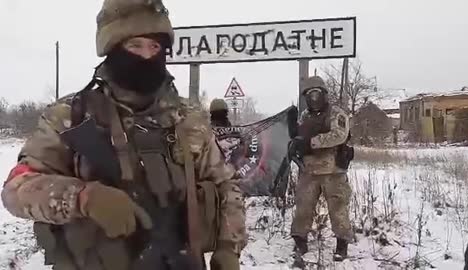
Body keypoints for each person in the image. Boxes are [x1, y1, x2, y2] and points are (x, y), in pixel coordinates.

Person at [0, 1, 246, 269]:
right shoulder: (71, 116)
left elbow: (226, 185)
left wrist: (228, 248)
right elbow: (16, 189)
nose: (147, 56)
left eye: (155, 47)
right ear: (112, 48)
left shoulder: (187, 119)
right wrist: (82, 197)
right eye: (135, 46)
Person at [290, 76, 354, 262]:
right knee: (303, 207)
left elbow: (339, 135)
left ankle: (342, 244)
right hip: (309, 170)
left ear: (324, 94)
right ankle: (300, 240)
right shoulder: (304, 116)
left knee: (338, 208)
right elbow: (300, 136)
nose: (313, 98)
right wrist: (295, 141)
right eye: (310, 94)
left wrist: (311, 143)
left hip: (333, 170)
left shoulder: (336, 113)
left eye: (317, 93)